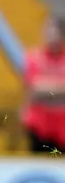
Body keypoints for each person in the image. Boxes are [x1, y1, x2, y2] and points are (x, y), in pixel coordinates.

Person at [22, 16, 65, 154]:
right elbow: (34, 89)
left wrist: (46, 89)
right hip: (39, 127)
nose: (50, 35)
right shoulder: (34, 58)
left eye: (54, 31)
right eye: (47, 30)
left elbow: (41, 89)